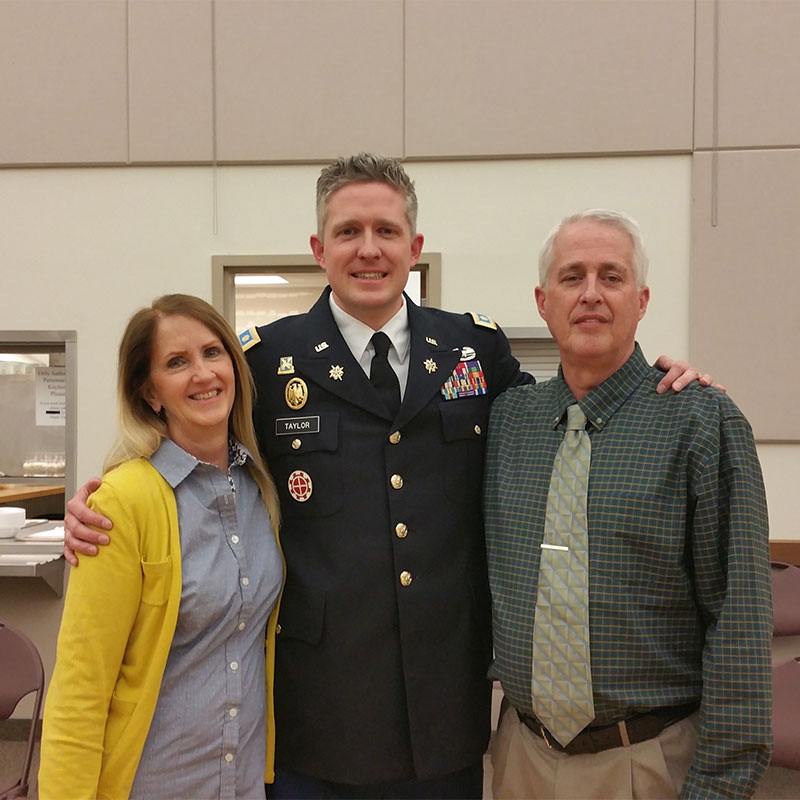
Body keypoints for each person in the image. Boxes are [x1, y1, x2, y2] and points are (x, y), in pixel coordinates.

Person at [63, 155, 711, 799]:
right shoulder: (265, 360)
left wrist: (651, 384)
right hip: (318, 710)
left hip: (442, 709)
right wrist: (104, 494)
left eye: (386, 231)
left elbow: (560, 417)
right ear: (319, 248)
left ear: (414, 246)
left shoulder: (472, 349)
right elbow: (191, 443)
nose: (367, 249)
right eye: (348, 232)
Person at [483, 210, 772, 799]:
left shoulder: (702, 421)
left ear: (641, 300)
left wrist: (720, 785)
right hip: (521, 759)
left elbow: (738, 620)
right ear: (543, 301)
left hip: (647, 763)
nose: (591, 293)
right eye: (572, 277)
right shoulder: (508, 422)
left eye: (611, 277)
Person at [39, 294, 284, 799]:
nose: (203, 374)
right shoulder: (124, 502)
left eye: (213, 353)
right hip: (154, 784)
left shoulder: (262, 489)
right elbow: (80, 689)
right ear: (150, 393)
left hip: (242, 784)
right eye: (177, 362)